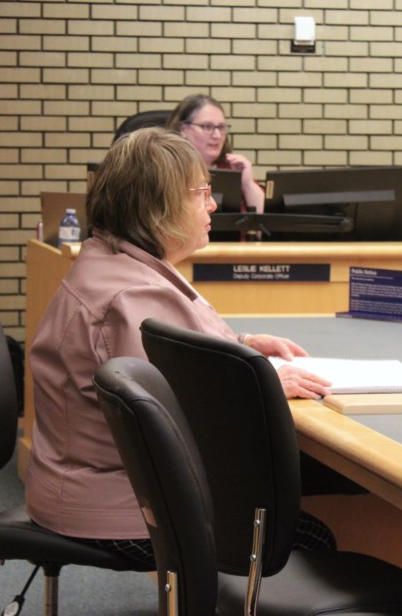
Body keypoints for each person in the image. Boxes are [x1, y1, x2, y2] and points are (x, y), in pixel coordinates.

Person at [25, 128, 334, 568]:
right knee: (309, 537)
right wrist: (261, 381)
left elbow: (176, 356)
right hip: (120, 506)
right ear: (159, 206)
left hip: (87, 486)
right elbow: (182, 415)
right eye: (202, 193)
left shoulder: (116, 263)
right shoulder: (130, 297)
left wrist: (243, 344)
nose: (212, 204)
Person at [167, 93, 265, 215]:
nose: (217, 135)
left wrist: (248, 184)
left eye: (221, 127)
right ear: (183, 129)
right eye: (207, 127)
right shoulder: (168, 171)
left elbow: (264, 229)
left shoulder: (232, 168)